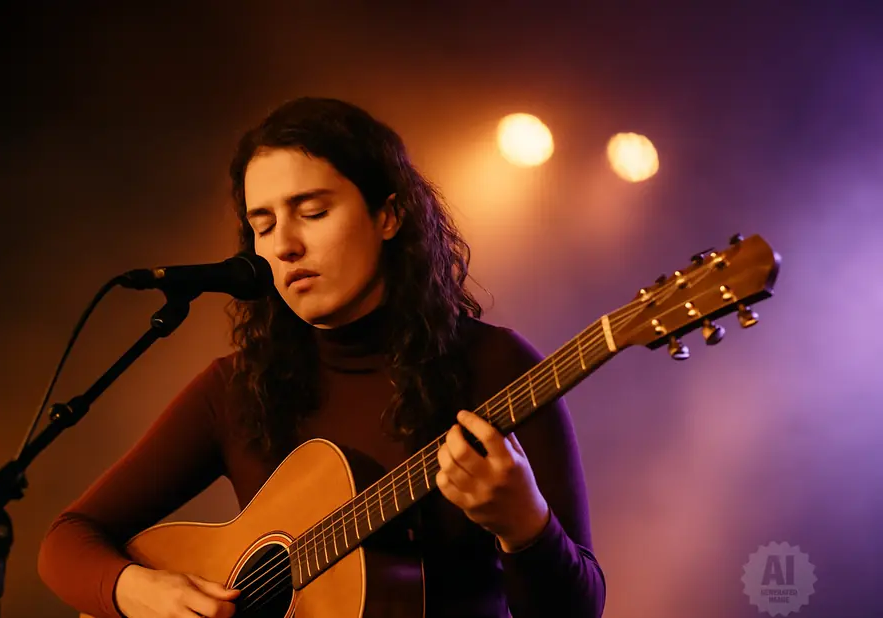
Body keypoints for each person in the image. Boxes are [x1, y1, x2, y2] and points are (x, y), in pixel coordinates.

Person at [37, 97, 606, 618]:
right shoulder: (238, 386)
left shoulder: (494, 366)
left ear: (389, 216)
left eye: (311, 212)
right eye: (262, 224)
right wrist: (140, 590)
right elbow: (68, 539)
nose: (284, 245)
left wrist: (525, 525)